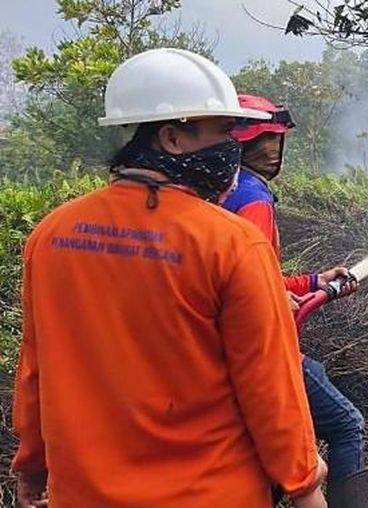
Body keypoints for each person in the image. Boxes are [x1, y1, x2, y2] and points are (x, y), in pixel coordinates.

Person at [11, 48, 326, 508]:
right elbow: (270, 387)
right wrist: (305, 485)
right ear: (172, 138)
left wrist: (32, 468)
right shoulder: (232, 242)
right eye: (222, 133)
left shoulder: (52, 235)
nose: (231, 149)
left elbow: (36, 371)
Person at [224, 94, 368, 507]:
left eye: (276, 141)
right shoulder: (253, 198)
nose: (273, 152)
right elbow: (252, 285)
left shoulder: (217, 192)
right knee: (346, 424)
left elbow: (251, 276)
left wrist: (313, 281)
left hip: (224, 354)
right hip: (263, 352)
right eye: (267, 142)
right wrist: (276, 300)